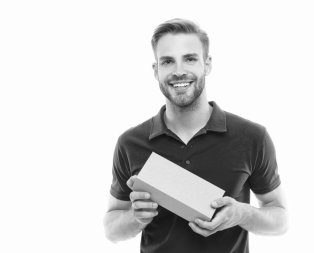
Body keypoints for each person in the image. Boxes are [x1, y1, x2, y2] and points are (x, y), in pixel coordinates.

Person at [103, 18, 288, 253]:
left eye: (190, 59)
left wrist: (242, 213)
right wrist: (136, 218)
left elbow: (280, 219)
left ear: (207, 64)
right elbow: (111, 228)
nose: (179, 71)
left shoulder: (252, 137)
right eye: (168, 61)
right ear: (156, 70)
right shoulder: (130, 143)